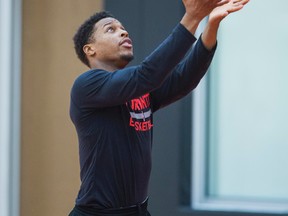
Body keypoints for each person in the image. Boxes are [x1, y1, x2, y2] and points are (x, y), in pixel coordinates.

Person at [69, 0, 249, 215]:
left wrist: (211, 25)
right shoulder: (87, 85)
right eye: (111, 29)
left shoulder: (138, 89)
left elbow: (184, 79)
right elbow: (147, 75)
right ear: (90, 49)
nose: (124, 33)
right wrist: (191, 17)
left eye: (124, 29)